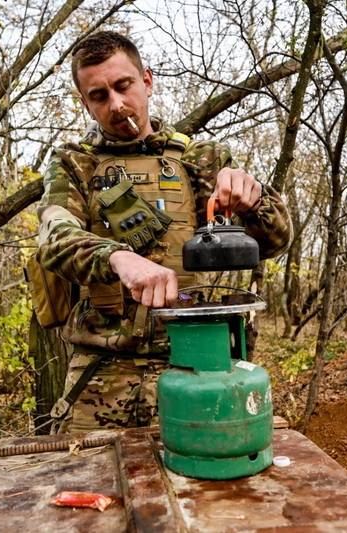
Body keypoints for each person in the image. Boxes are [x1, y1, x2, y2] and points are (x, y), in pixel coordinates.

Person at [36, 31, 291, 432]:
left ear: (147, 81)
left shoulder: (198, 159)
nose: (117, 105)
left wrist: (253, 200)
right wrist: (118, 258)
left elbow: (274, 243)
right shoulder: (75, 164)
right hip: (102, 372)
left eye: (123, 86)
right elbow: (54, 238)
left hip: (196, 362)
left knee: (209, 481)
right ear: (86, 103)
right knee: (87, 487)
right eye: (99, 96)